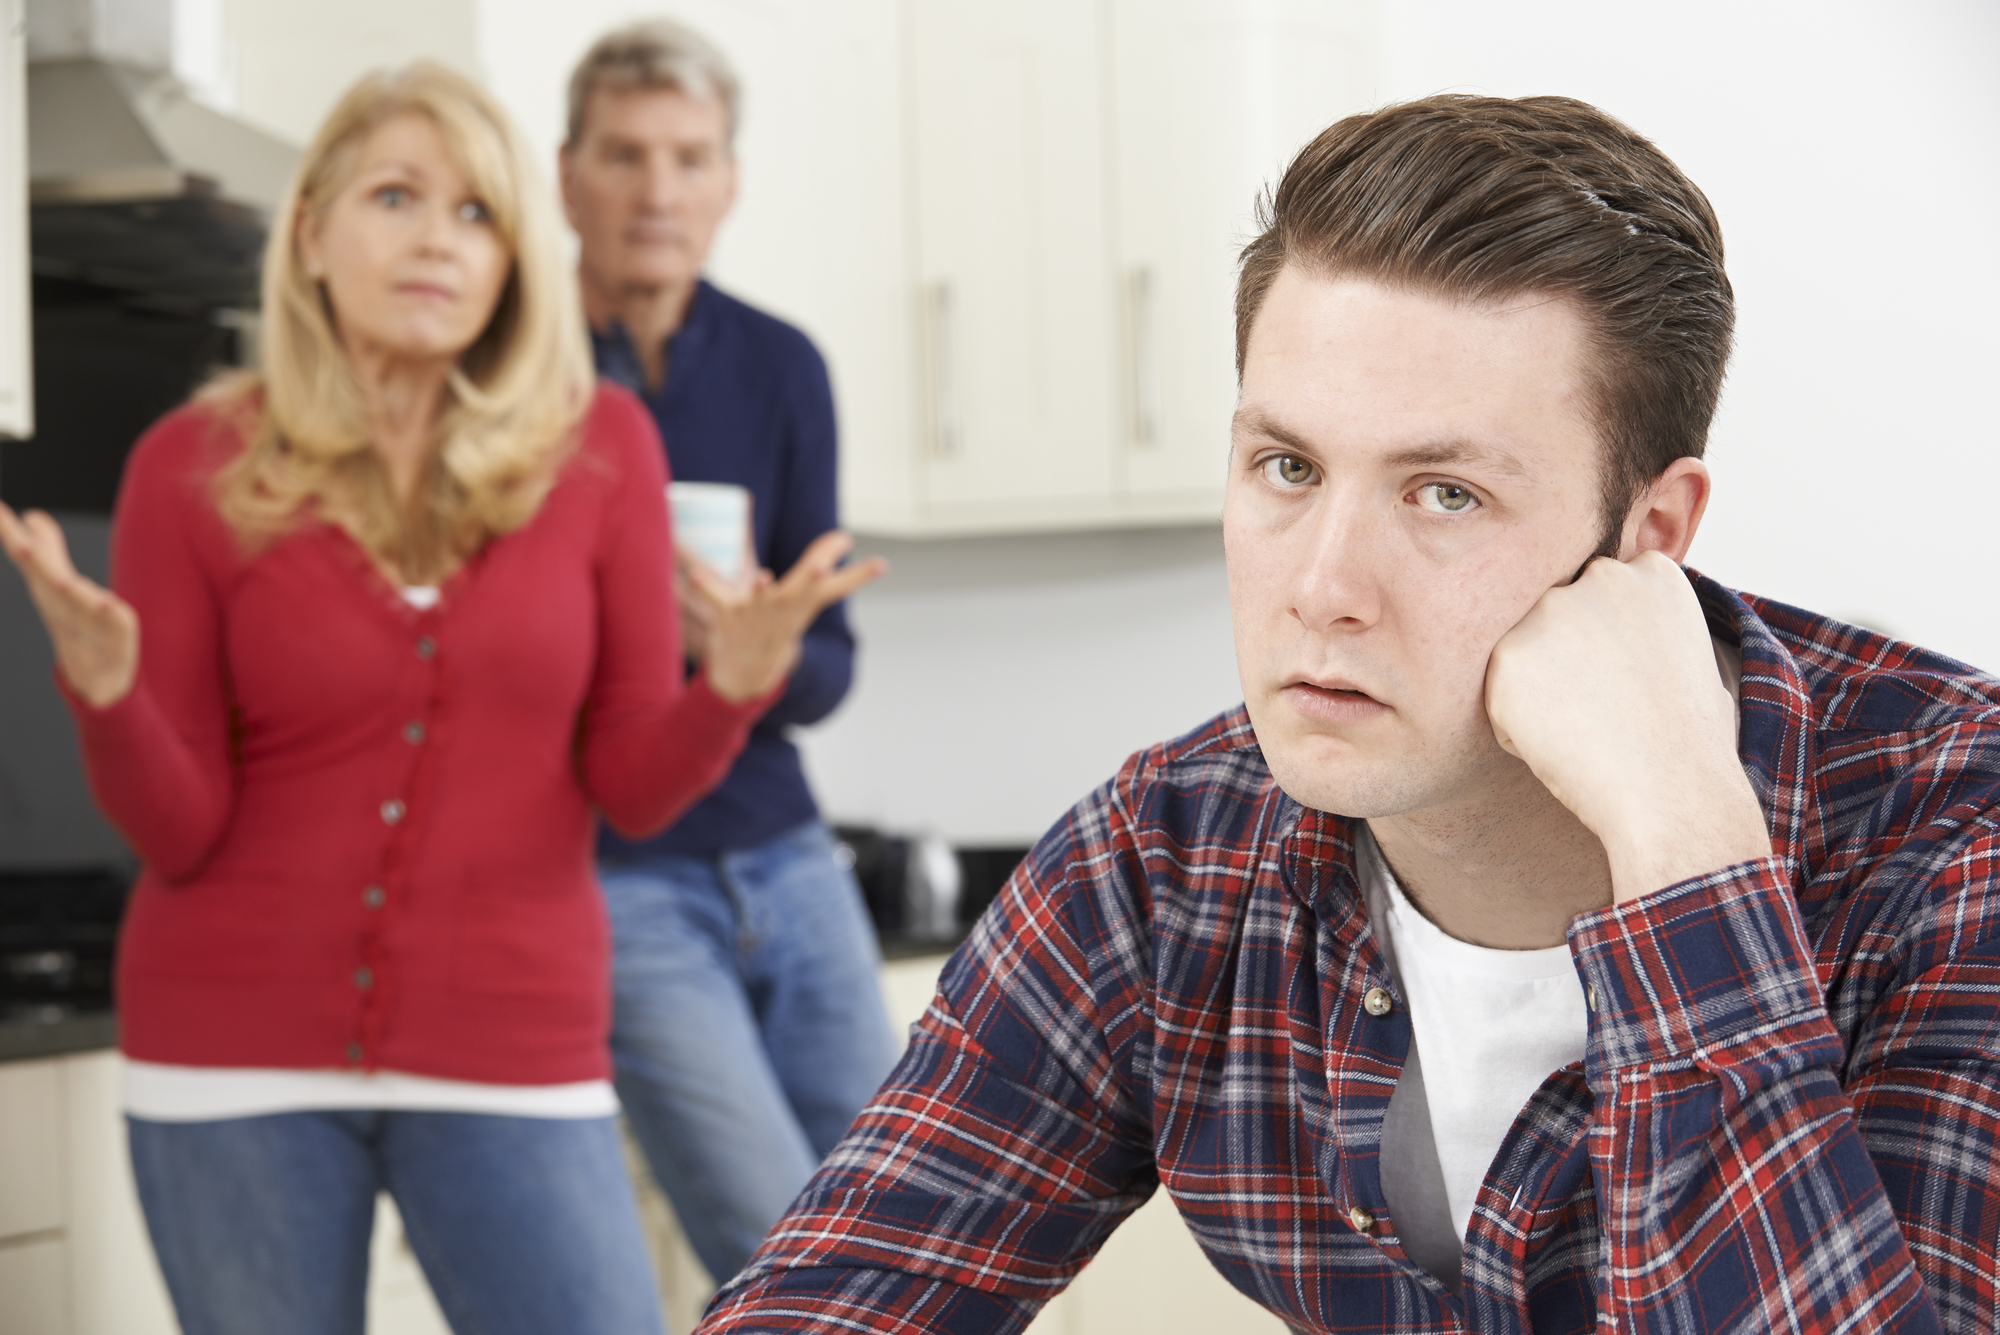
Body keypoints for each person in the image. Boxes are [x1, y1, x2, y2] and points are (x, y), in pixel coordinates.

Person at [696, 95, 2000, 1333]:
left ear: (1649, 534)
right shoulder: (1168, 858)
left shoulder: (1956, 852)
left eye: (1443, 494)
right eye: (1288, 465)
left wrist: (1684, 846)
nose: (1321, 588)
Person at [0, 62, 878, 1335]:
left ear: (514, 257)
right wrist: (108, 693)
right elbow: (177, 830)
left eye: (474, 214)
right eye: (395, 197)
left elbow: (627, 779)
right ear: (309, 233)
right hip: (231, 1057)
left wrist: (730, 688)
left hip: (512, 1044)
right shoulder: (190, 463)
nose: (435, 240)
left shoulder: (601, 452)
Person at [557, 20, 901, 1285]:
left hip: (786, 856)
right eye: (627, 155)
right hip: (621, 877)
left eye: (689, 157)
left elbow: (831, 668)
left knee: (917, 1225)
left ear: (728, 182)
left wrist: (748, 657)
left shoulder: (779, 366)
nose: (658, 190)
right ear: (565, 174)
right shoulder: (512, 376)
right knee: (783, 1264)